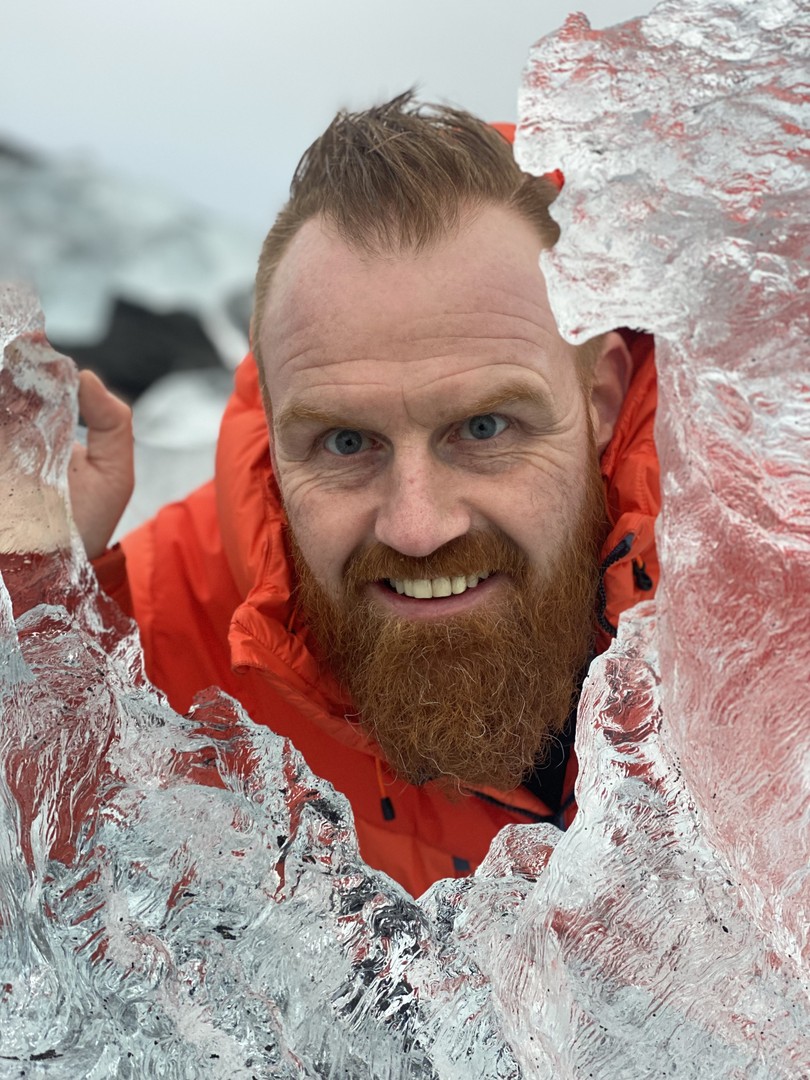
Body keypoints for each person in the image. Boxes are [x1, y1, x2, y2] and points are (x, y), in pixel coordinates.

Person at [72, 93, 660, 897]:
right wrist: (30, 600)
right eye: (346, 443)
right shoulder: (159, 632)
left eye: (484, 428)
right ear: (275, 441)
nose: (417, 526)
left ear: (597, 400)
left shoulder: (766, 559)